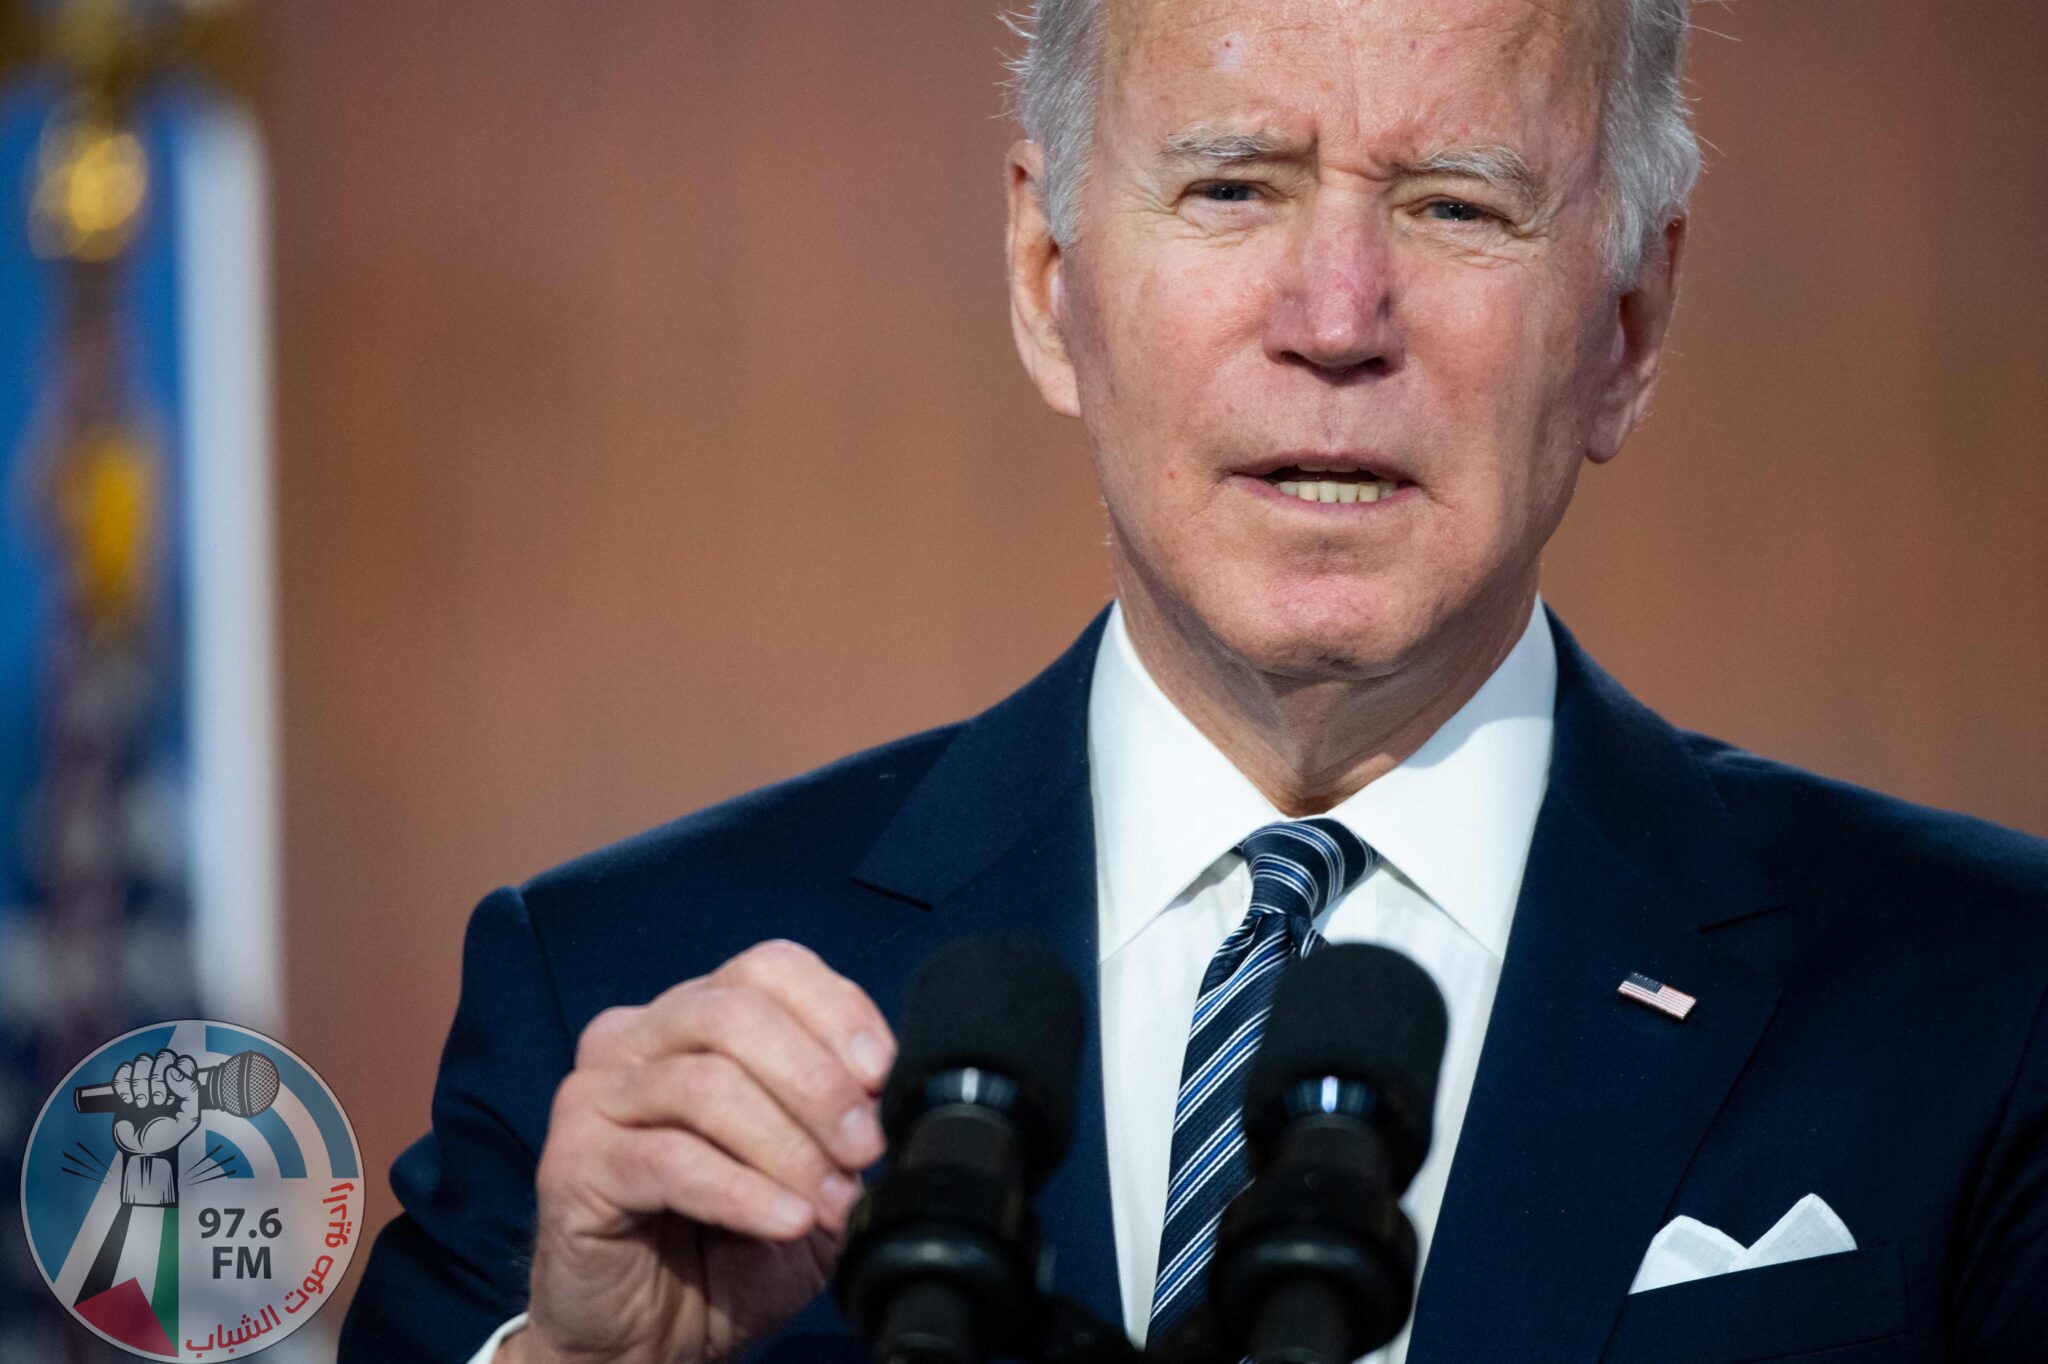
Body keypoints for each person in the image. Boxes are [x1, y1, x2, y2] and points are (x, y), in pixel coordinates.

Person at [338, 0, 2048, 1359]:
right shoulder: (621, 994)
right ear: (1046, 274)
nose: (1335, 314)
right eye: (1233, 186)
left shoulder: (1981, 999)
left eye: (1458, 204)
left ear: (1627, 325)